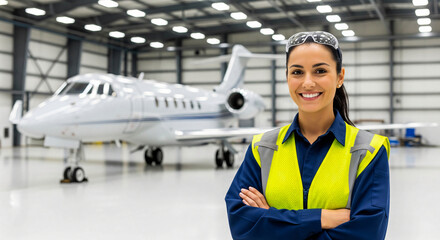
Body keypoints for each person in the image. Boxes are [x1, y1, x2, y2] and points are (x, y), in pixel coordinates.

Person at [225, 31, 390, 240]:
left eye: (320, 71)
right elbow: (243, 226)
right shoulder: (262, 148)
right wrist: (321, 218)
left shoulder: (368, 151)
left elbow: (367, 234)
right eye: (297, 72)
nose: (308, 83)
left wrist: (271, 220)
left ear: (340, 77)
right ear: (287, 77)